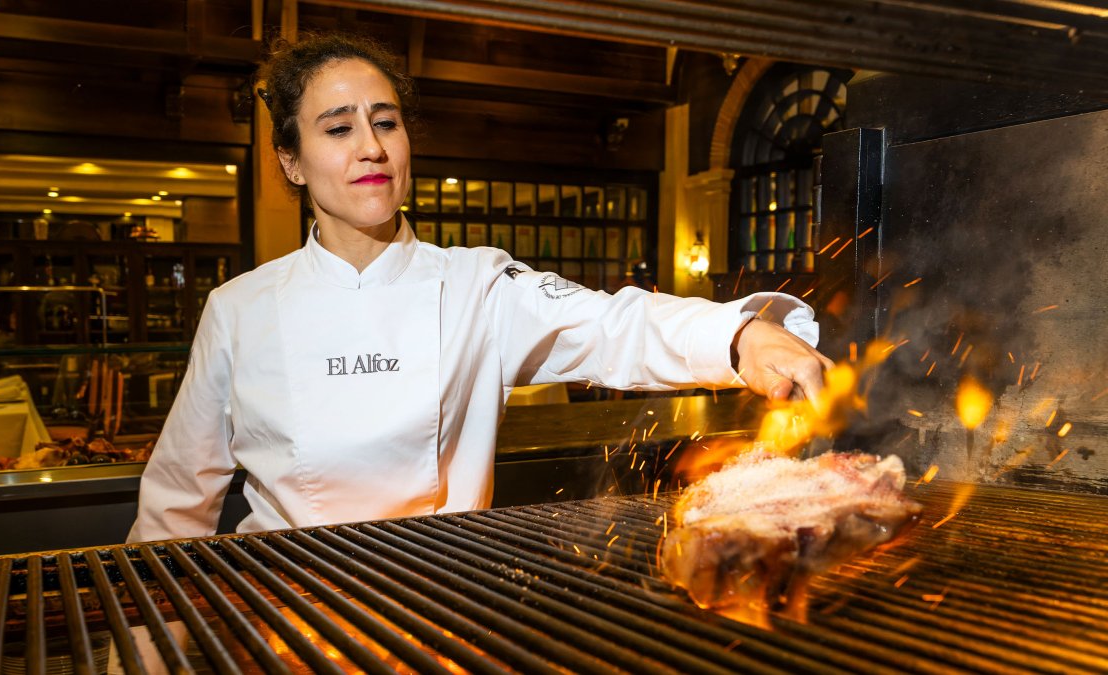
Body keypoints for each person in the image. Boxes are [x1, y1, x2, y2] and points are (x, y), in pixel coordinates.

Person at [126, 32, 833, 544]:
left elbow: (613, 323)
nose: (371, 147)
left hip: (442, 605)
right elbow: (177, 502)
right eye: (338, 129)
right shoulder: (239, 310)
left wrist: (740, 336)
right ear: (292, 160)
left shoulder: (477, 284)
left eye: (386, 122)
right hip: (287, 614)